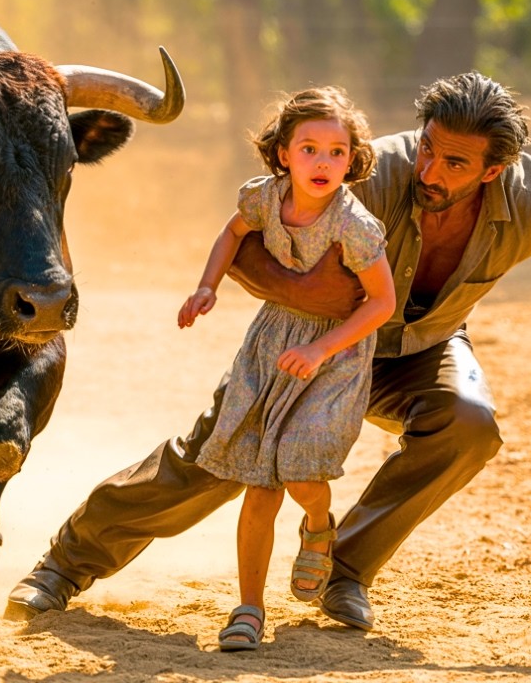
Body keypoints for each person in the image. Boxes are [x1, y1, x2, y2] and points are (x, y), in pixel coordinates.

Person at [4, 71, 531, 632]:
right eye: (431, 150)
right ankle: (68, 561)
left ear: (496, 169)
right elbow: (243, 240)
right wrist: (316, 300)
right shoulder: (364, 171)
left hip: (422, 349)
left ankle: (342, 570)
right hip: (312, 347)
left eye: (456, 164)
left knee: (468, 424)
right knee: (219, 461)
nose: (432, 171)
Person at [176, 87, 396, 651]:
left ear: (352, 159)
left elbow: (381, 303)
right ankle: (248, 609)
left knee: (300, 474)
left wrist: (322, 350)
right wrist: (207, 286)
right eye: (309, 149)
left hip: (335, 355)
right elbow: (232, 233)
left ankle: (319, 527)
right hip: (271, 344)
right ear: (283, 155)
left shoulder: (355, 225)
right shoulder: (263, 199)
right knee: (260, 481)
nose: (323, 163)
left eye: (337, 152)